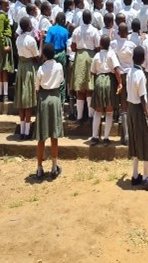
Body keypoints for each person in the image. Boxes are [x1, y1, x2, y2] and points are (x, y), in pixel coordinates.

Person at [126, 46, 148, 191]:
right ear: (144, 59)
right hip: (139, 110)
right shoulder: (140, 75)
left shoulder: (129, 72)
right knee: (147, 141)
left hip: (130, 109)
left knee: (134, 141)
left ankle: (135, 176)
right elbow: (143, 99)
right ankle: (145, 178)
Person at [35, 43, 64, 181]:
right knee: (54, 135)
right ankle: (54, 167)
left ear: (44, 55)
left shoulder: (41, 69)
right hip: (55, 98)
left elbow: (37, 87)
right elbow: (61, 81)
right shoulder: (59, 67)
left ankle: (40, 168)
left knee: (41, 136)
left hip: (43, 98)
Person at [90, 35, 123, 145]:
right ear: (109, 44)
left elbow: (92, 72)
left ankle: (94, 137)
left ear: (100, 44)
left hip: (99, 81)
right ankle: (106, 138)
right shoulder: (111, 54)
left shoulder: (96, 55)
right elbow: (116, 69)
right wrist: (120, 83)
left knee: (98, 110)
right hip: (109, 81)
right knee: (109, 111)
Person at [71, 10, 100, 123]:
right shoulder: (94, 31)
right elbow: (98, 46)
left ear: (82, 18)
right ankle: (90, 116)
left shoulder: (76, 30)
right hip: (91, 56)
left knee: (80, 88)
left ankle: (79, 117)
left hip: (79, 57)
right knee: (89, 87)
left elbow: (73, 47)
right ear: (90, 19)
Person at [15, 16, 40, 140]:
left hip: (21, 67)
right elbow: (37, 56)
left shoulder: (18, 39)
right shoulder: (31, 40)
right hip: (29, 68)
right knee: (28, 101)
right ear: (29, 26)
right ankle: (27, 132)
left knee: (21, 101)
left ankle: (22, 131)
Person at [0, 0, 14, 103]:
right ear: (1, 6)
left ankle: (2, 94)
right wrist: (4, 45)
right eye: (6, 5)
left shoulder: (4, 16)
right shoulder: (2, 17)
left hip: (5, 41)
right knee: (3, 68)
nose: (8, 7)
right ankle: (4, 94)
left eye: (8, 5)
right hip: (4, 42)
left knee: (2, 68)